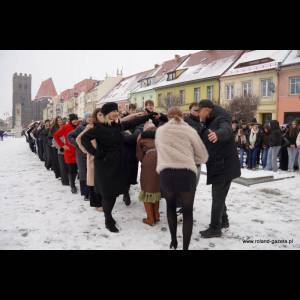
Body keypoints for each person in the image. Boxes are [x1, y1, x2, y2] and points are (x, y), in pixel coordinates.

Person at [81, 102, 155, 233]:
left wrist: (147, 116)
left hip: (118, 164)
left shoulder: (117, 125)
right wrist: (97, 153)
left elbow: (132, 122)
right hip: (104, 166)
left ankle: (108, 216)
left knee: (114, 193)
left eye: (116, 110)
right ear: (106, 114)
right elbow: (84, 139)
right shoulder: (98, 127)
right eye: (112, 111)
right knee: (108, 194)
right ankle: (108, 219)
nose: (115, 113)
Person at [155, 107, 208, 250]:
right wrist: (190, 157)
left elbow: (159, 152)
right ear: (182, 117)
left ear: (167, 117)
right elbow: (203, 156)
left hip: (167, 173)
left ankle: (173, 241)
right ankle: (185, 247)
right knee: (188, 212)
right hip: (186, 174)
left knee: (171, 207)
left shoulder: (160, 131)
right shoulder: (190, 131)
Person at [198, 99, 241, 238]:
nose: (199, 113)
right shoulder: (208, 119)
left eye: (200, 111)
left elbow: (226, 129)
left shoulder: (221, 117)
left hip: (224, 166)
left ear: (207, 109)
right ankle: (224, 221)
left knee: (217, 197)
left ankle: (215, 228)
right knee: (219, 196)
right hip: (218, 164)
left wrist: (218, 135)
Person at [77, 108, 103, 210]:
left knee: (101, 180)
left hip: (102, 157)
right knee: (94, 180)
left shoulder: (104, 126)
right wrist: (86, 150)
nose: (102, 117)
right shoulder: (90, 127)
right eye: (99, 115)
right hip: (93, 157)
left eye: (103, 115)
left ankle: (102, 202)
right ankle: (97, 204)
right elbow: (79, 139)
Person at [136, 120, 160, 226]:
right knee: (156, 188)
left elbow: (139, 155)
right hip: (162, 160)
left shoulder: (142, 137)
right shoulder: (161, 135)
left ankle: (150, 219)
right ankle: (156, 215)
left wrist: (144, 160)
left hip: (149, 160)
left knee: (147, 189)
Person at [68, 113, 94, 200]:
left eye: (91, 117)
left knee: (91, 173)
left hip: (91, 153)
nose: (90, 119)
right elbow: (70, 136)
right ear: (85, 118)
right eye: (88, 117)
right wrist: (78, 145)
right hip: (81, 154)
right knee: (83, 173)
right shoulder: (80, 127)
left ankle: (93, 192)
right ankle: (86, 194)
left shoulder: (95, 126)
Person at [53, 114, 79, 194]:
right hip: (70, 152)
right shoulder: (66, 127)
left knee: (78, 170)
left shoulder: (79, 126)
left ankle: (74, 183)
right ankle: (72, 186)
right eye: (73, 119)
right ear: (70, 120)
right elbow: (56, 136)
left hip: (79, 151)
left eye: (76, 119)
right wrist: (63, 145)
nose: (75, 121)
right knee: (72, 170)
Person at [52, 118, 69, 186]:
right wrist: (60, 147)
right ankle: (65, 181)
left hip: (68, 150)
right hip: (61, 151)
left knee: (68, 166)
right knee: (62, 167)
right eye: (58, 121)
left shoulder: (66, 128)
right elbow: (54, 141)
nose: (60, 122)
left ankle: (69, 180)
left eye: (61, 120)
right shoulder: (55, 129)